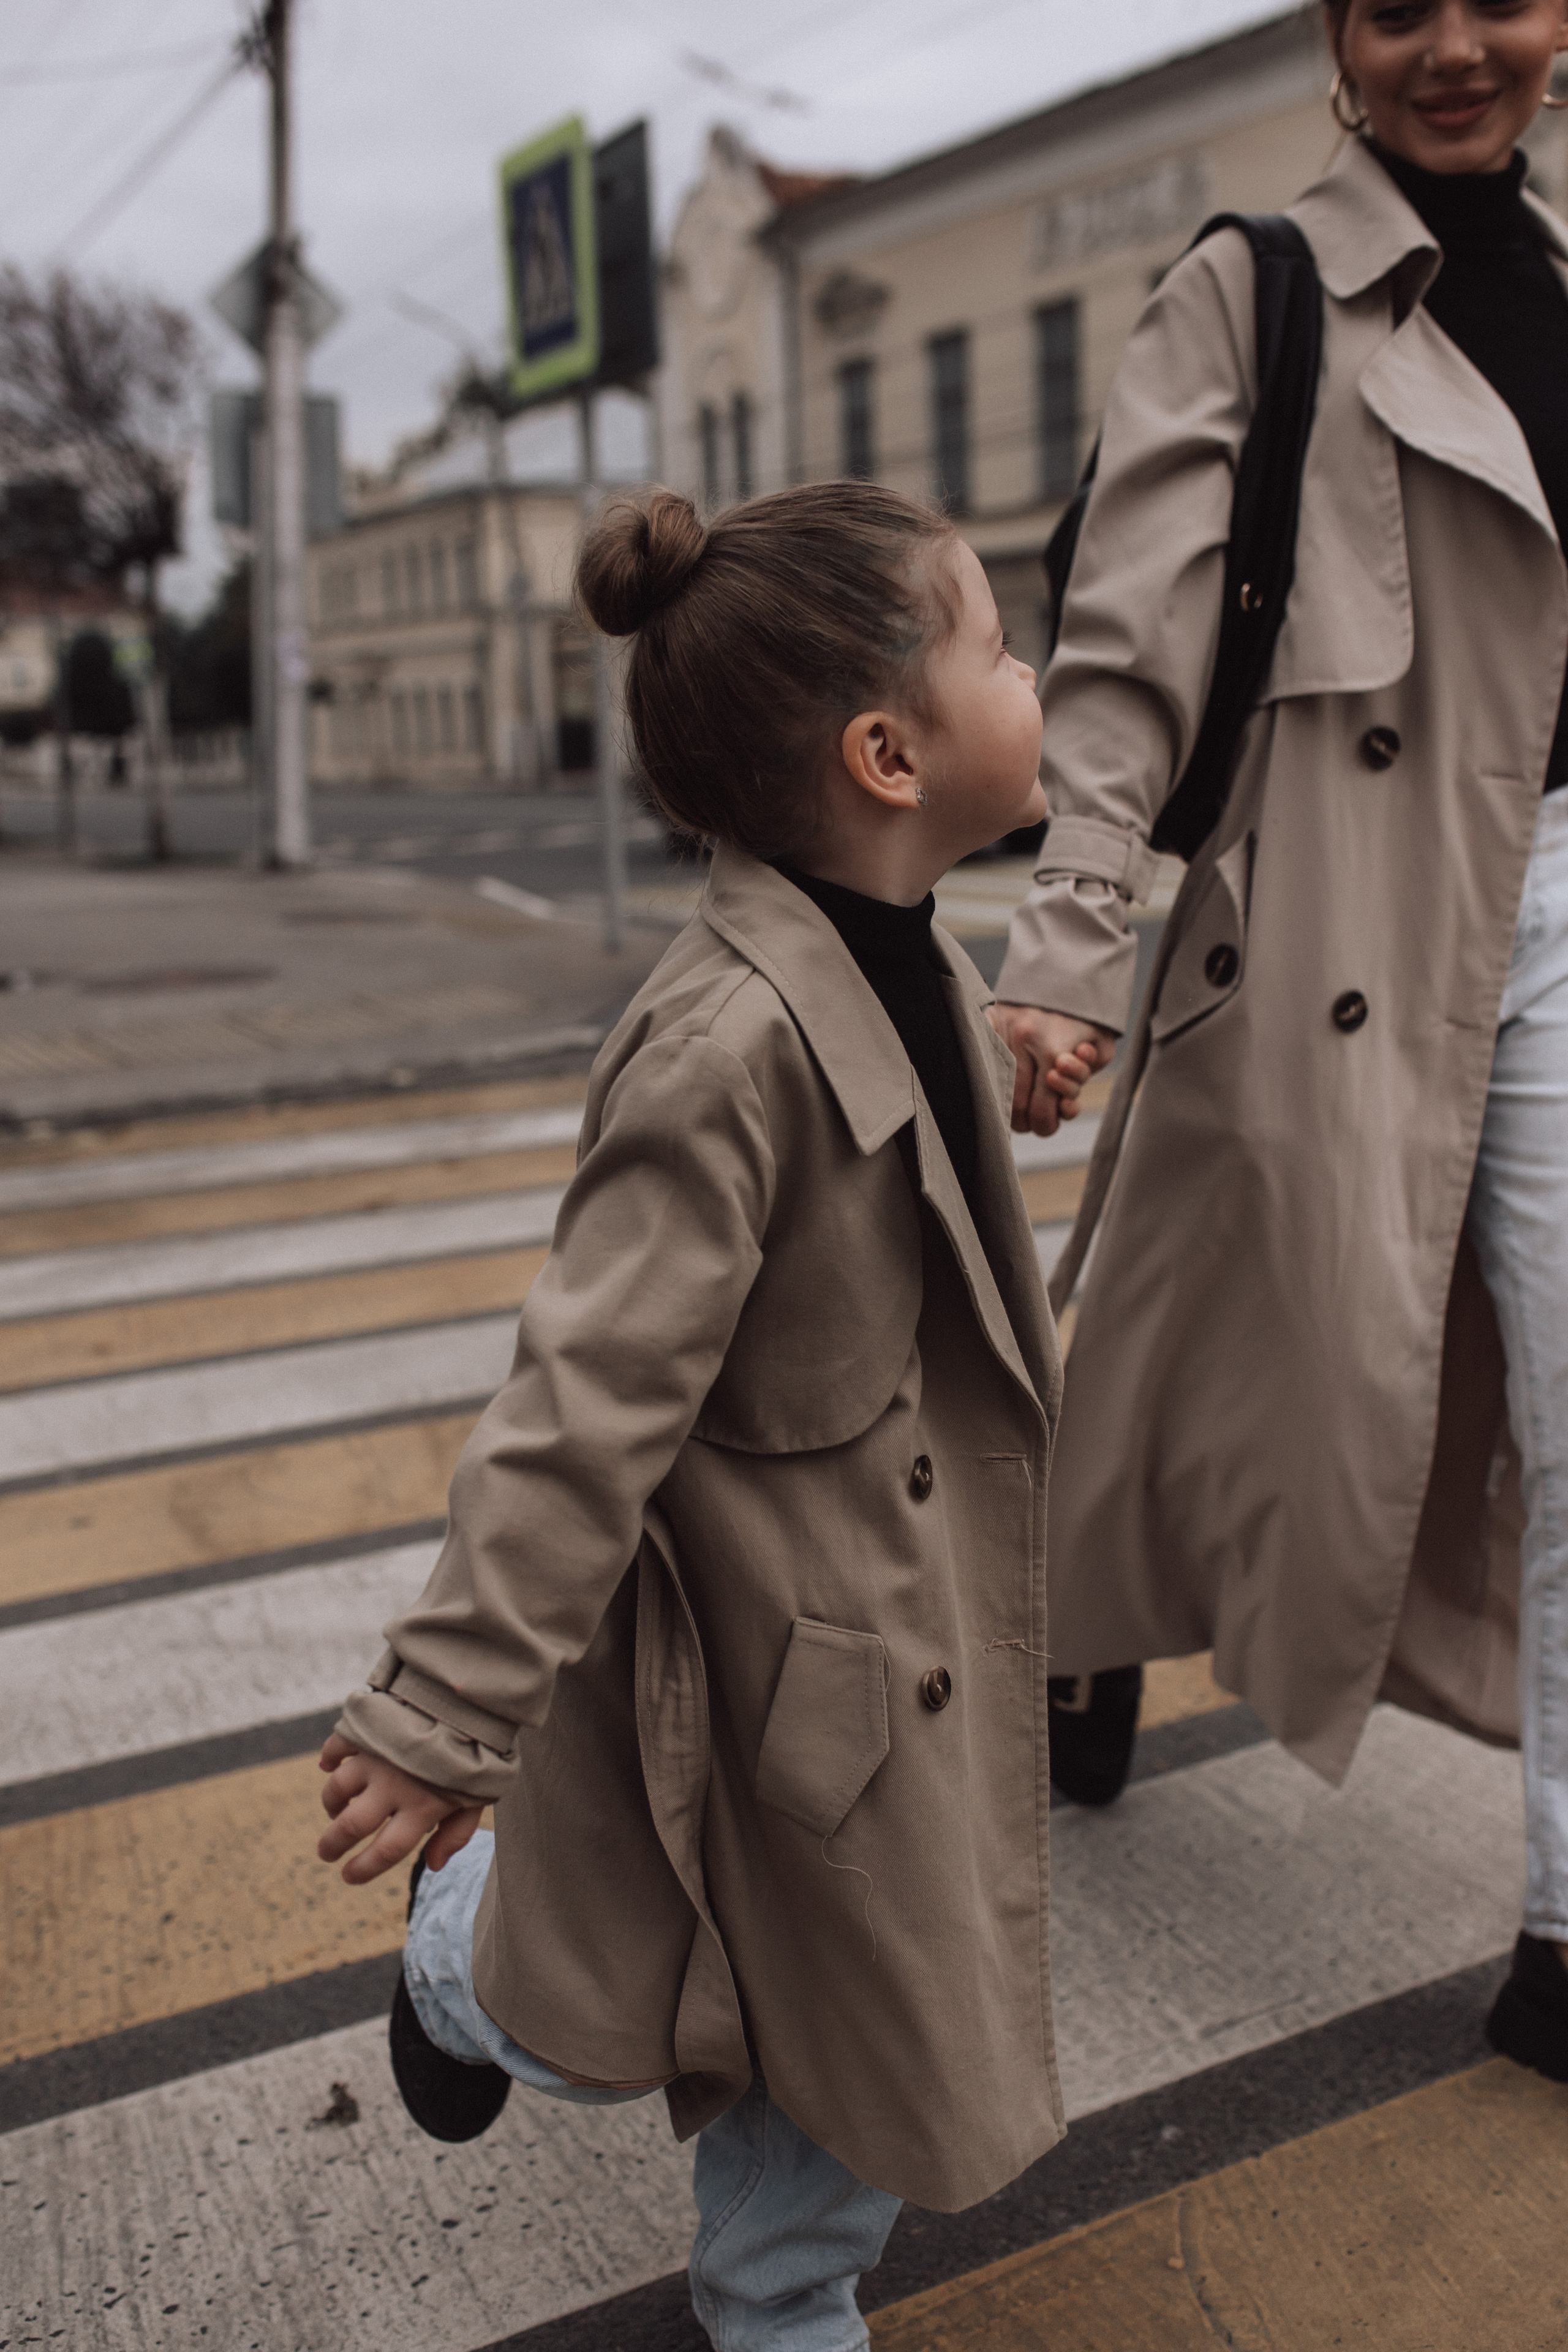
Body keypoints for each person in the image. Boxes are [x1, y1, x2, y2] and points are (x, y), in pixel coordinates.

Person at [317, 480, 1069, 2350]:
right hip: (775, 1674)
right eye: (997, 644)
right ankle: (453, 1955)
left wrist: (1014, 1052)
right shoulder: (718, 1052)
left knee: (853, 2041)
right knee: (683, 2010)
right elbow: (579, 1408)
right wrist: (443, 1713)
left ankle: (775, 2294)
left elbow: (904, 1047)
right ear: (890, 752)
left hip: (900, 1643)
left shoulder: (911, 941)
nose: (1032, 668)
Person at [989, 0, 1568, 2085]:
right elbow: (1126, 648)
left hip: (1562, 887)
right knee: (1202, 1333)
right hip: (1343, 898)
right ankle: (1075, 1609)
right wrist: (1062, 945)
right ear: (1338, 36)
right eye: (1395, 5)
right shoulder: (1251, 292)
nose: (1452, 46)